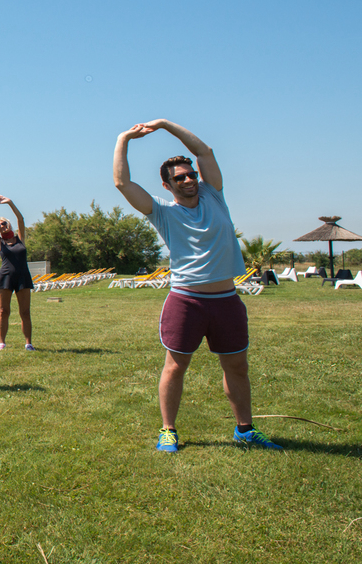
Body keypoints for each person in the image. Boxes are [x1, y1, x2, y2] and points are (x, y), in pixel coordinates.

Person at [114, 119, 282, 452]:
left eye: (191, 174)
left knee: (237, 365)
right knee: (176, 366)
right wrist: (124, 139)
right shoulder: (161, 211)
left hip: (227, 300)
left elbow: (205, 152)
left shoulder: (213, 195)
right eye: (180, 178)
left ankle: (245, 430)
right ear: (167, 185)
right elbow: (122, 182)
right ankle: (168, 430)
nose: (189, 180)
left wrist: (165, 125)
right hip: (186, 300)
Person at [0, 195, 35, 351]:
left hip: (23, 278)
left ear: (8, 224)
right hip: (5, 278)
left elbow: (21, 219)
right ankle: (2, 342)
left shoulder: (20, 238)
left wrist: (10, 203)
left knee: (25, 312)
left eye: (3, 223)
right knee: (3, 311)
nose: (2, 226)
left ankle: (28, 343)